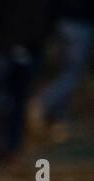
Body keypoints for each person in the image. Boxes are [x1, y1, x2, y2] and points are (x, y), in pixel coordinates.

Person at [0, 1, 53, 168]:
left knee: (19, 104)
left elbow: (47, 15)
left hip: (30, 50)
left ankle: (13, 150)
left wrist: (38, 41)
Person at [36, 0, 92, 142]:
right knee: (73, 75)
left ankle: (58, 121)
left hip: (61, 23)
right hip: (79, 22)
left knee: (65, 72)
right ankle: (44, 102)